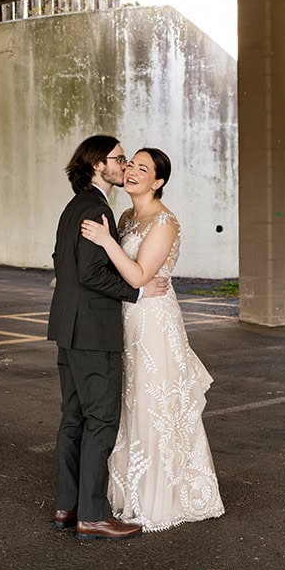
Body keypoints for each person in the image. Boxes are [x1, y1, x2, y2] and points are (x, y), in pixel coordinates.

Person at [80, 147, 225, 531]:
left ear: (157, 182)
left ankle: (161, 498)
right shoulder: (127, 216)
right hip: (124, 317)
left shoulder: (165, 222)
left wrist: (107, 241)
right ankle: (127, 490)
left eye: (142, 169)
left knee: (151, 400)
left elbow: (140, 275)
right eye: (130, 165)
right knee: (128, 401)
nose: (130, 172)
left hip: (152, 321)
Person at [47, 135, 168, 541]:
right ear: (99, 164)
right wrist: (135, 291)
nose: (124, 166)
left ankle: (68, 506)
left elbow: (61, 261)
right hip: (94, 331)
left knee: (74, 418)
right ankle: (94, 516)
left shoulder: (74, 205)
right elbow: (91, 273)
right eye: (119, 159)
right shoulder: (97, 208)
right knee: (101, 420)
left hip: (69, 327)